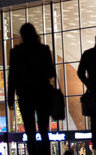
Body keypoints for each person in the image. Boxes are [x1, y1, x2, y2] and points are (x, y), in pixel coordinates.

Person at [8, 23, 56, 155]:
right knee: (43, 129)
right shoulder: (43, 49)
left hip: (25, 94)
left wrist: (10, 97)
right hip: (42, 93)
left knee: (30, 131)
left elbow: (12, 76)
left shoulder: (16, 52)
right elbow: (51, 73)